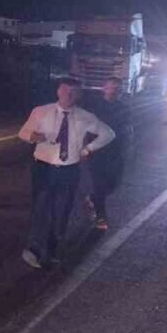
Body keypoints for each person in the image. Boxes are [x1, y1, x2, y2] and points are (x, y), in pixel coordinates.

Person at [17, 77, 115, 268]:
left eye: (73, 92)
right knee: (41, 208)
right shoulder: (41, 111)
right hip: (43, 168)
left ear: (79, 95)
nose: (68, 95)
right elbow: (23, 132)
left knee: (62, 212)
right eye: (65, 90)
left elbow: (109, 133)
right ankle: (34, 249)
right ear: (58, 92)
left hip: (69, 171)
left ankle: (52, 250)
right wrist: (32, 136)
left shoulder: (85, 116)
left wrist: (88, 149)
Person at [83, 77, 131, 231]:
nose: (114, 90)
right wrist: (86, 148)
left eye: (117, 88)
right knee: (99, 185)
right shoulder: (95, 107)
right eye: (111, 87)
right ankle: (101, 217)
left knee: (113, 184)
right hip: (98, 152)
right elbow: (85, 128)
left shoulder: (124, 108)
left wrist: (128, 147)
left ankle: (92, 198)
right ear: (104, 88)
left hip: (116, 152)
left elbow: (128, 129)